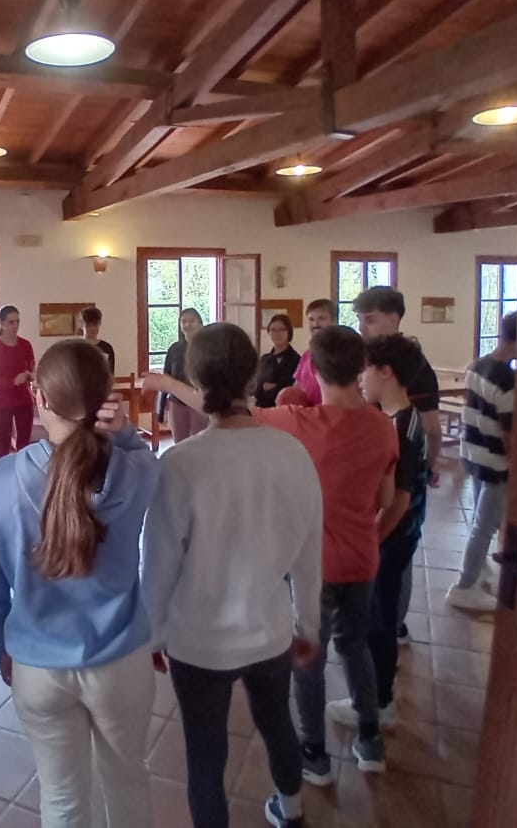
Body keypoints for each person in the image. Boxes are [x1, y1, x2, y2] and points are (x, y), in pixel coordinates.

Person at [0, 340, 159, 828]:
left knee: (61, 799)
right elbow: (142, 456)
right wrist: (125, 433)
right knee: (128, 781)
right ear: (105, 400)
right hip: (120, 659)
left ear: (39, 397)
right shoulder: (136, 471)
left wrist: (2, 643)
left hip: (37, 665)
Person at [143, 323, 322, 828]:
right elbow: (310, 556)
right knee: (277, 724)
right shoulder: (292, 454)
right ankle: (292, 809)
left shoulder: (180, 463)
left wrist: (152, 633)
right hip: (269, 633)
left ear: (197, 383)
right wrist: (309, 627)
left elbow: (158, 564)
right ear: (254, 378)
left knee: (205, 751)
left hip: (196, 642)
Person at [254, 327, 397, 782]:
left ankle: (315, 754)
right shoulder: (383, 426)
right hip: (362, 559)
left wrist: (164, 384)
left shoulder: (299, 422)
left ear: (312, 368)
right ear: (361, 367)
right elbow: (385, 498)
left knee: (308, 657)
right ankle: (370, 741)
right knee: (355, 646)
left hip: (314, 567)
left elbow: (231, 412)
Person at [343, 334, 429, 730]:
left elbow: (399, 501)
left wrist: (370, 543)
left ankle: (378, 703)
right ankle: (377, 695)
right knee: (377, 616)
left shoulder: (402, 427)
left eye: (365, 370)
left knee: (378, 620)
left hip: (392, 539)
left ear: (386, 372)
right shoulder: (397, 418)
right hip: (394, 536)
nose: (360, 378)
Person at [353, 287, 440, 647]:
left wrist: (427, 468)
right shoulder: (389, 406)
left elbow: (430, 431)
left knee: (390, 581)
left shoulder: (405, 413)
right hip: (385, 503)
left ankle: (391, 633)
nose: (363, 328)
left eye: (369, 320)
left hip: (396, 515)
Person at [448, 311, 517, 612]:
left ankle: (479, 573)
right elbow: (509, 434)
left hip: (473, 453)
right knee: (484, 526)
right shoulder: (506, 381)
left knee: (480, 519)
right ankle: (465, 586)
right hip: (494, 462)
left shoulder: (478, 365)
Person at [0, 305, 36, 460]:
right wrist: (13, 381)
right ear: (2, 323)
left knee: (24, 444)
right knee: (3, 444)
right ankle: (1, 472)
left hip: (24, 400)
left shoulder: (25, 345)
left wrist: (31, 376)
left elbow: (32, 366)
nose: (15, 326)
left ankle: (22, 471)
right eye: (11, 322)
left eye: (17, 321)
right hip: (1, 402)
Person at [157, 308, 206, 444]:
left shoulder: (208, 348)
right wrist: (161, 409)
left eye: (191, 321)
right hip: (176, 403)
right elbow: (166, 378)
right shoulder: (174, 349)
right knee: (179, 442)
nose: (187, 325)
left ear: (200, 324)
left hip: (199, 402)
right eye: (184, 321)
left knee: (199, 443)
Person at [289, 300, 335, 407]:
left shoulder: (342, 353)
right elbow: (297, 387)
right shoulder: (306, 355)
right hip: (307, 414)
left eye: (321, 319)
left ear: (333, 321)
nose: (315, 324)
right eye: (311, 319)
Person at [252, 313, 300, 409]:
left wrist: (274, 387)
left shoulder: (296, 359)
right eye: (273, 330)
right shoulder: (264, 359)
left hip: (284, 410)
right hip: (261, 409)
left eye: (281, 329)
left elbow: (291, 389)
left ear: (289, 332)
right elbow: (258, 389)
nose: (277, 334)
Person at [79, 306, 116, 374]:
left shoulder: (107, 348)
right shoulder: (75, 348)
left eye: (95, 325)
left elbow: (110, 374)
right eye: (88, 325)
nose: (92, 329)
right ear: (81, 325)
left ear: (100, 323)